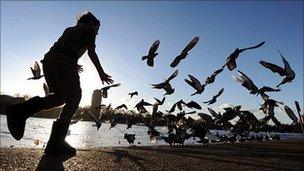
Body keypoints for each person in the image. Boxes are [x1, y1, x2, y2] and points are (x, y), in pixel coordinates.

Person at [5, 11, 113, 156]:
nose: (98, 32)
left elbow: (64, 47)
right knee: (74, 98)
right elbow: (91, 52)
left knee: (59, 97)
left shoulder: (70, 29)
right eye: (98, 28)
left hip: (49, 62)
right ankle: (56, 142)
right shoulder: (89, 29)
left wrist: (72, 62)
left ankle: (21, 111)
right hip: (63, 63)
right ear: (92, 23)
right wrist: (101, 72)